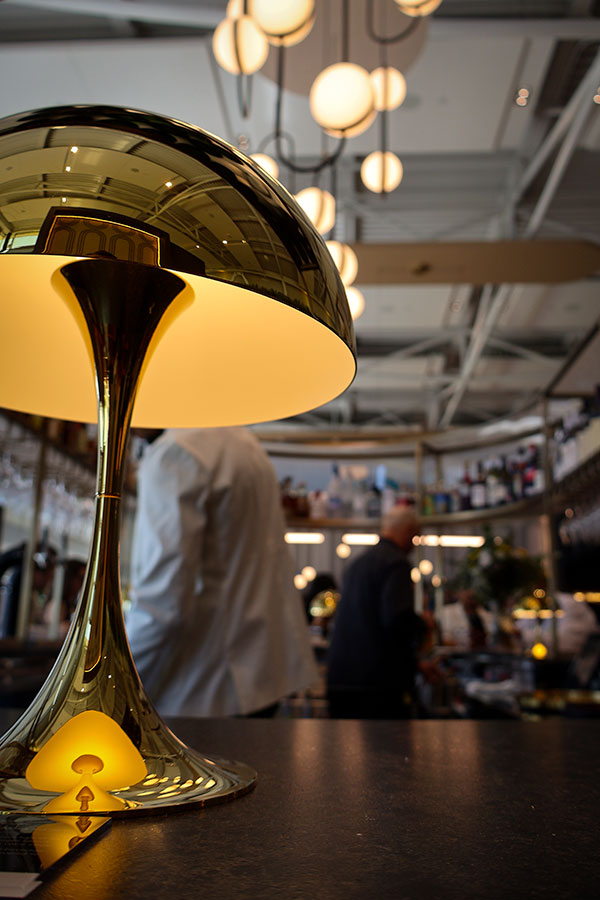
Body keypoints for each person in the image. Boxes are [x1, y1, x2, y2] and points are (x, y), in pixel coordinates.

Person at [125, 427, 318, 717]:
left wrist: (116, 682)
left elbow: (162, 605)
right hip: (261, 677)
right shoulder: (244, 444)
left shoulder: (174, 454)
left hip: (204, 688)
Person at [326, 506, 426, 719]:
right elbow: (397, 618)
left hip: (341, 676)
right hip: (376, 683)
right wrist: (423, 625)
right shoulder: (396, 563)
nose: (414, 544)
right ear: (408, 530)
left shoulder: (357, 563)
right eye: (415, 536)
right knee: (387, 751)